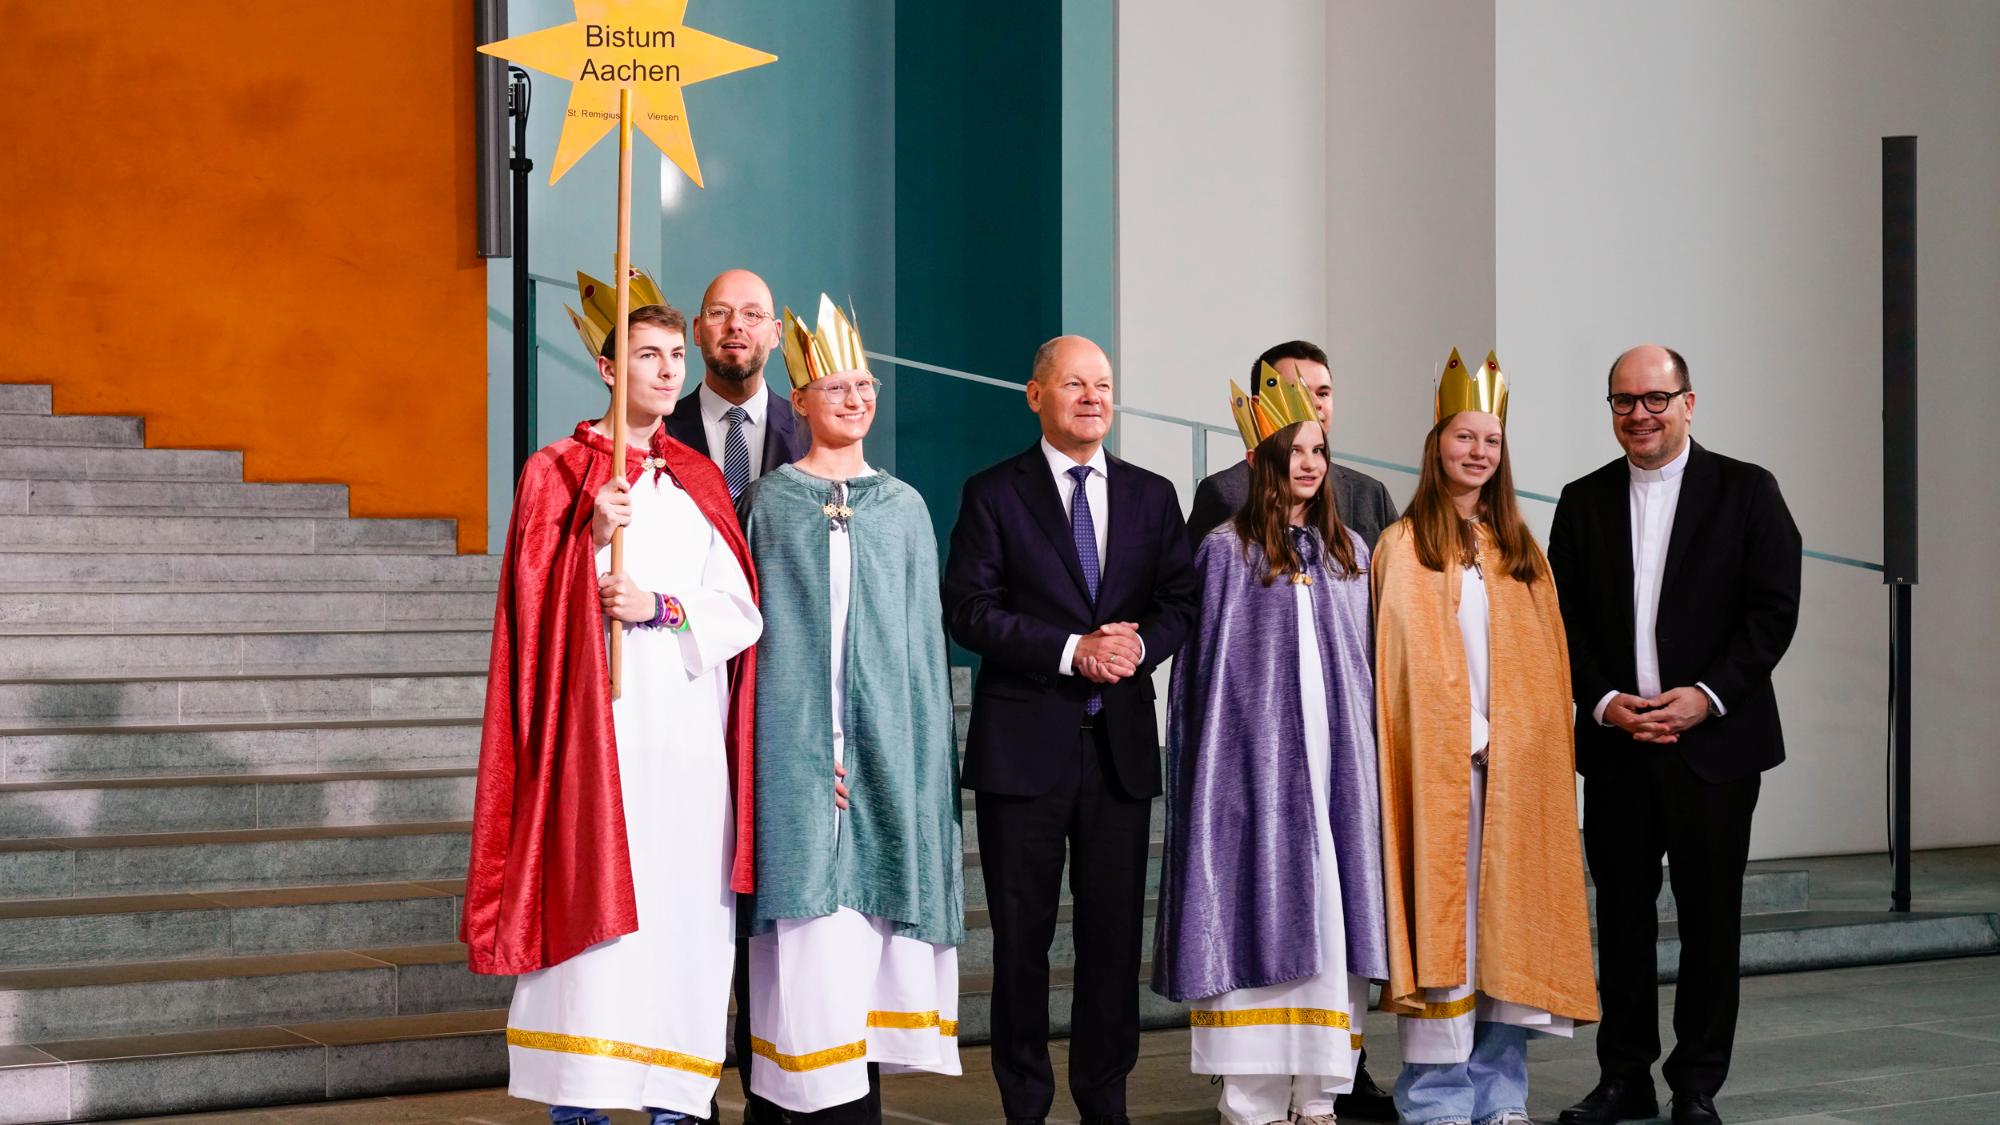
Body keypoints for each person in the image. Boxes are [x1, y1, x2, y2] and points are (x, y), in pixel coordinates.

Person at [464, 293, 763, 1125]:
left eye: (675, 356)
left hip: (688, 747)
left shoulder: (699, 478)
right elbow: (524, 615)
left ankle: (675, 1102)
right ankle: (583, 1104)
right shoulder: (557, 471)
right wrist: (587, 538)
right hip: (595, 745)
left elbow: (741, 610)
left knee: (681, 924)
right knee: (596, 933)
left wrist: (661, 607)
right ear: (606, 369)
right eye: (647, 356)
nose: (668, 370)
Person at [942, 335, 1200, 1125]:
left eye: (1105, 385)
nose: (1093, 397)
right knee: (1020, 943)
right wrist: (1070, 651)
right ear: (1035, 395)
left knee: (1112, 941)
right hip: (1025, 751)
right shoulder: (992, 492)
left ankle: (1105, 1100)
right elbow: (970, 610)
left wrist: (1137, 647)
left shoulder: (1153, 494)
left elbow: (1182, 600)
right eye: (1075, 384)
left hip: (1118, 751)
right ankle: (1024, 1102)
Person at [1550, 346, 1801, 1125]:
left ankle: (1696, 1084)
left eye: (1655, 399)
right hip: (1620, 745)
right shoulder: (1583, 498)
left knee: (1709, 920)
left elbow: (1773, 609)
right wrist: (1602, 702)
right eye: (1624, 401)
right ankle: (1624, 1076)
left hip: (1714, 747)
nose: (1640, 415)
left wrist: (1707, 696)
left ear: (1689, 403)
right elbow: (1561, 620)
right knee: (1620, 917)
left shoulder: (1747, 490)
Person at [735, 296, 965, 1123]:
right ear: (799, 401)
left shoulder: (903, 508)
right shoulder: (769, 503)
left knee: (862, 999)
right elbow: (766, 650)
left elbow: (918, 659)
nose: (856, 398)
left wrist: (897, 765)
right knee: (802, 995)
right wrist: (799, 756)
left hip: (885, 773)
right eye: (836, 386)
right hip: (800, 771)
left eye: (865, 384)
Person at [1154, 369, 1387, 1125]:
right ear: (1262, 458)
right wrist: (1223, 777)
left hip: (1334, 778)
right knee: (1259, 909)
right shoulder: (1224, 551)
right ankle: (1251, 1101)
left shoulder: (1348, 551)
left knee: (1328, 916)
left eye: (1319, 448)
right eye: (1294, 449)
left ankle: (1317, 1097)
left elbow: (1359, 670)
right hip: (1252, 777)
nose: (1310, 463)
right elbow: (1205, 680)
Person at [1373, 350, 1598, 1125]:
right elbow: (1402, 662)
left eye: (1491, 441)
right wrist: (1468, 730)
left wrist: (1520, 736)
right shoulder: (1402, 546)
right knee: (1449, 937)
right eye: (1465, 436)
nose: (1478, 451)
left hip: (1516, 776)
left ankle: (1502, 1095)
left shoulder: (1521, 550)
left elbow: (1546, 668)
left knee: (1508, 937)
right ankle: (1435, 1098)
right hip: (1443, 771)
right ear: (1437, 443)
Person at [1185, 340, 1398, 552]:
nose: (1316, 403)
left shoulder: (1370, 493)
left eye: (1323, 393)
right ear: (1261, 407)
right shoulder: (1225, 493)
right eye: (1300, 393)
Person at [666, 267, 810, 499]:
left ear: (775, 333)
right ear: (697, 331)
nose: (735, 324)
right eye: (719, 312)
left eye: (752, 314)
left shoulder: (809, 432)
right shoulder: (658, 431)